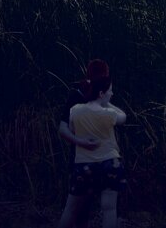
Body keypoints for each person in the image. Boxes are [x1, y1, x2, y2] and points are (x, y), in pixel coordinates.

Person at [57, 72, 127, 228]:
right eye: (109, 91)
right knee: (109, 209)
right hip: (110, 163)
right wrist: (106, 103)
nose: (112, 93)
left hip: (83, 164)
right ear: (101, 93)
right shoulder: (109, 114)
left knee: (70, 208)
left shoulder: (75, 110)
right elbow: (123, 117)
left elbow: (71, 128)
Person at [55, 60, 108, 228]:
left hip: (85, 161)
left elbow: (64, 128)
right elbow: (63, 129)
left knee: (78, 210)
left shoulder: (87, 96)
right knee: (75, 209)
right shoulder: (82, 97)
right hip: (85, 161)